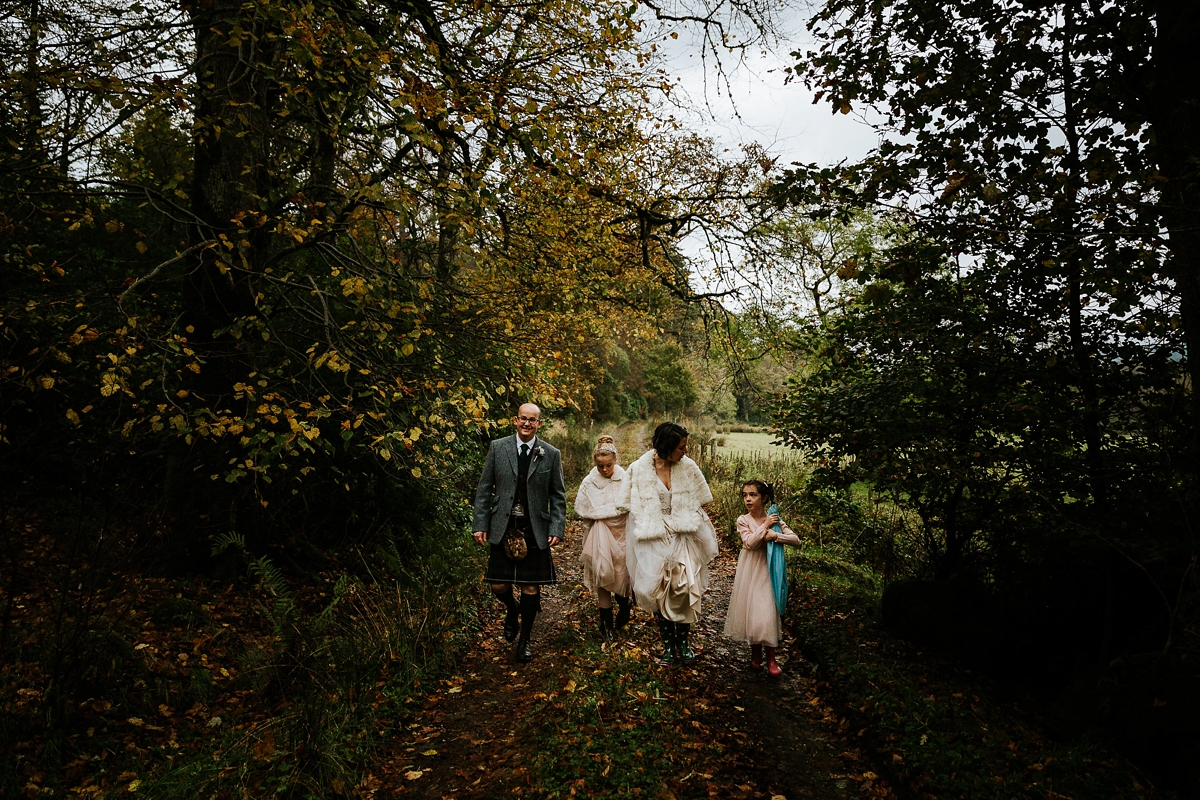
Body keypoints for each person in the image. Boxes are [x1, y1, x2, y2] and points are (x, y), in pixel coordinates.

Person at [472, 403, 566, 662]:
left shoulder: (550, 453)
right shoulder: (497, 447)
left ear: (539, 424)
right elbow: (484, 488)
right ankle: (512, 610)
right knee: (498, 584)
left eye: (532, 420)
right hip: (503, 525)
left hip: (534, 527)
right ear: (515, 420)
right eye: (523, 419)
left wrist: (557, 527)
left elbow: (558, 495)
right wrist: (480, 523)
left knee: (531, 589)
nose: (527, 423)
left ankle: (524, 640)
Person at [619, 421, 719, 664]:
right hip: (653, 535)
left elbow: (700, 499)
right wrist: (651, 522)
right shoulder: (639, 469)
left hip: (682, 534)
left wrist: (683, 517)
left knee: (684, 587)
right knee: (658, 591)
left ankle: (683, 643)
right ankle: (667, 646)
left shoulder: (687, 467)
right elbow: (628, 505)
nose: (685, 451)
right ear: (667, 446)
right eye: (681, 447)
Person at [723, 480, 801, 676]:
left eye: (753, 495)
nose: (748, 499)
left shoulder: (775, 519)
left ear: (764, 498)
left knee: (766, 612)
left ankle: (772, 659)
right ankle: (756, 654)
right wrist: (764, 527)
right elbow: (750, 543)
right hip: (751, 569)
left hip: (769, 570)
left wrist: (775, 536)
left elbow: (796, 540)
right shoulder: (743, 520)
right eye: (744, 495)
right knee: (753, 612)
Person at [576, 435, 633, 640]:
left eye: (608, 465)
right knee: (602, 574)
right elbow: (582, 507)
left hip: (622, 533)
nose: (605, 470)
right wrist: (596, 516)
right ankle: (606, 625)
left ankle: (624, 603)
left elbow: (633, 505)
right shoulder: (590, 481)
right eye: (600, 466)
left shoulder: (625, 478)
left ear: (615, 461)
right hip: (600, 533)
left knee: (621, 575)